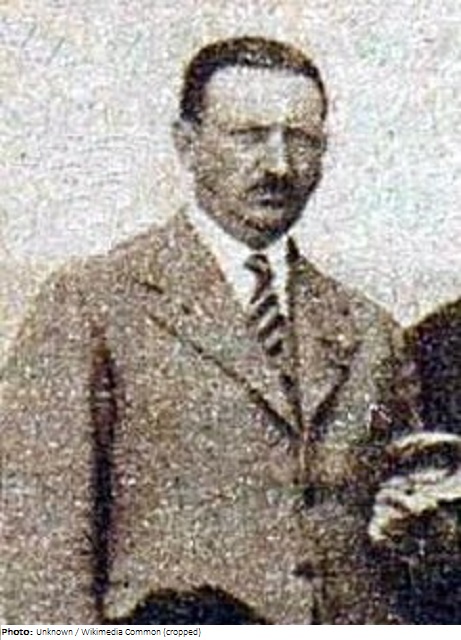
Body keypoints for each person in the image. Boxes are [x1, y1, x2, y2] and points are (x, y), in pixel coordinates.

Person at [1, 36, 461, 625]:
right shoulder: (92, 305)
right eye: (249, 136)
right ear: (187, 143)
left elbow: (412, 545)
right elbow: (35, 554)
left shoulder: (371, 332)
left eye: (302, 139)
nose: (279, 165)